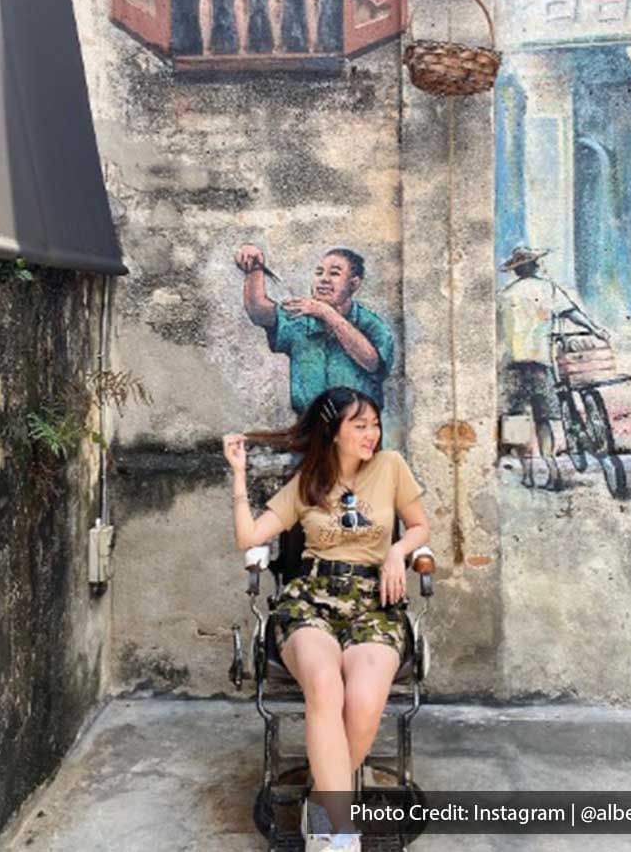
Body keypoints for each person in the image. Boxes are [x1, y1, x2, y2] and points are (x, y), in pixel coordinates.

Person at [223, 386, 429, 852]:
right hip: (310, 601)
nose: (371, 434)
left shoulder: (391, 468)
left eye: (374, 424)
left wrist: (397, 551)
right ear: (332, 433)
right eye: (359, 426)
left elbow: (419, 526)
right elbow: (249, 536)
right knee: (325, 685)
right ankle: (336, 833)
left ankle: (318, 802)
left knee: (363, 699)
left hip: (374, 602)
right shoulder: (308, 482)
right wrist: (239, 477)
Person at [497, 245, 609, 491]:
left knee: (517, 420)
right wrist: (595, 329)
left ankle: (527, 474)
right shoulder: (547, 289)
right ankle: (552, 470)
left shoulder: (504, 295)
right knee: (542, 419)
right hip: (541, 363)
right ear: (534, 266)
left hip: (512, 365)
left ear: (516, 271)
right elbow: (571, 313)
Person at [234, 244, 394, 414]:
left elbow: (372, 363)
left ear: (354, 284)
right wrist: (254, 271)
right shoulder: (301, 315)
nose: (324, 279)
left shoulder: (371, 323)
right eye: (319, 273)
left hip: (357, 427)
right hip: (309, 427)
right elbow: (259, 313)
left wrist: (327, 313)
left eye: (334, 273)